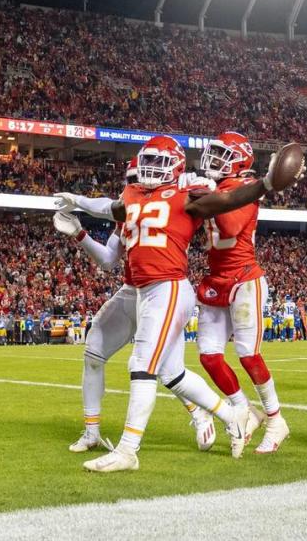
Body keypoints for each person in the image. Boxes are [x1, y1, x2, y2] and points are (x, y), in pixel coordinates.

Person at [55, 134, 300, 472]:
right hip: (140, 291)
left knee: (142, 365)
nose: (150, 169)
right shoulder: (132, 195)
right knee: (172, 373)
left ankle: (128, 451)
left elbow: (226, 202)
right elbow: (110, 207)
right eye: (148, 161)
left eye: (160, 163)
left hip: (168, 288)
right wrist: (78, 201)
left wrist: (265, 184)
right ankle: (234, 417)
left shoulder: (188, 191)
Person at [53, 158, 214, 455]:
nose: (136, 184)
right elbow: (107, 260)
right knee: (93, 351)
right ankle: (91, 431)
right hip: (131, 292)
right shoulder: (128, 209)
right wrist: (80, 234)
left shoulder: (174, 197)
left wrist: (197, 182)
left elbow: (207, 196)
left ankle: (201, 412)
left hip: (162, 292)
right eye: (132, 178)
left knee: (167, 371)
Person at [194, 131, 289, 454]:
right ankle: (243, 410)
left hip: (244, 278)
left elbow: (232, 227)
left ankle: (276, 420)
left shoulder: (245, 190)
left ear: (239, 161)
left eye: (222, 155)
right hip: (215, 279)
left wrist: (210, 195)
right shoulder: (212, 189)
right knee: (208, 356)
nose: (213, 161)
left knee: (248, 354)